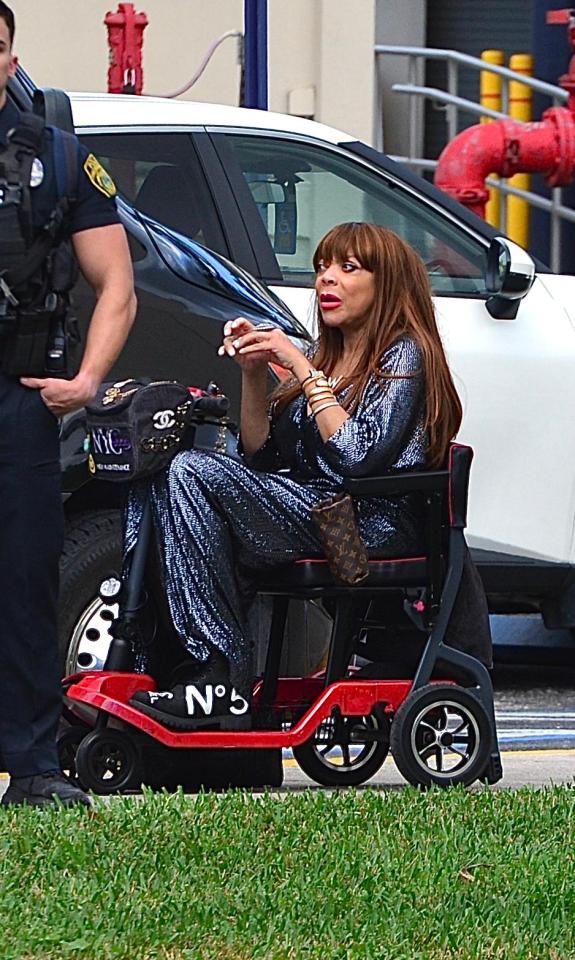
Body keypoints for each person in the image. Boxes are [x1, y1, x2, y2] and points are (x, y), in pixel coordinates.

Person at [128, 221, 463, 730]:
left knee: (192, 471)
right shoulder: (330, 354)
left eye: (347, 268)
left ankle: (219, 673)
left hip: (367, 526)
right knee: (160, 473)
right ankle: (171, 661)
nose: (326, 279)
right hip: (314, 510)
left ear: (387, 283)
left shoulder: (405, 354)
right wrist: (254, 372)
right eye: (322, 267)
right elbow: (261, 459)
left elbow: (356, 455)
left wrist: (301, 370)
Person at [0, 2, 136, 807]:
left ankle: (36, 766)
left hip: (18, 403)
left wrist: (86, 382)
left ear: (11, 60)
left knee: (24, 579)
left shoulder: (58, 157)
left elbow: (115, 282)